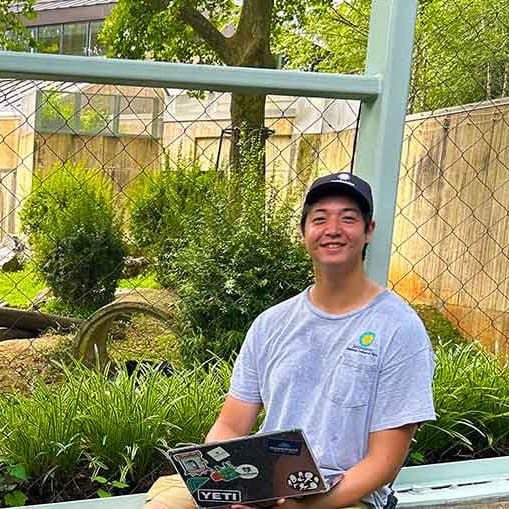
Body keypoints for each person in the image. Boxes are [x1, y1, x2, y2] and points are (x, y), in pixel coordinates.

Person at [145, 172, 436, 509]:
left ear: (369, 230)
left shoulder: (399, 328)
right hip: (263, 485)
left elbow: (383, 463)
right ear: (304, 233)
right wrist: (234, 488)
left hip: (345, 495)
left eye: (349, 218)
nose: (333, 229)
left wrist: (301, 507)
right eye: (320, 218)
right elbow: (230, 424)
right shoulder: (271, 324)